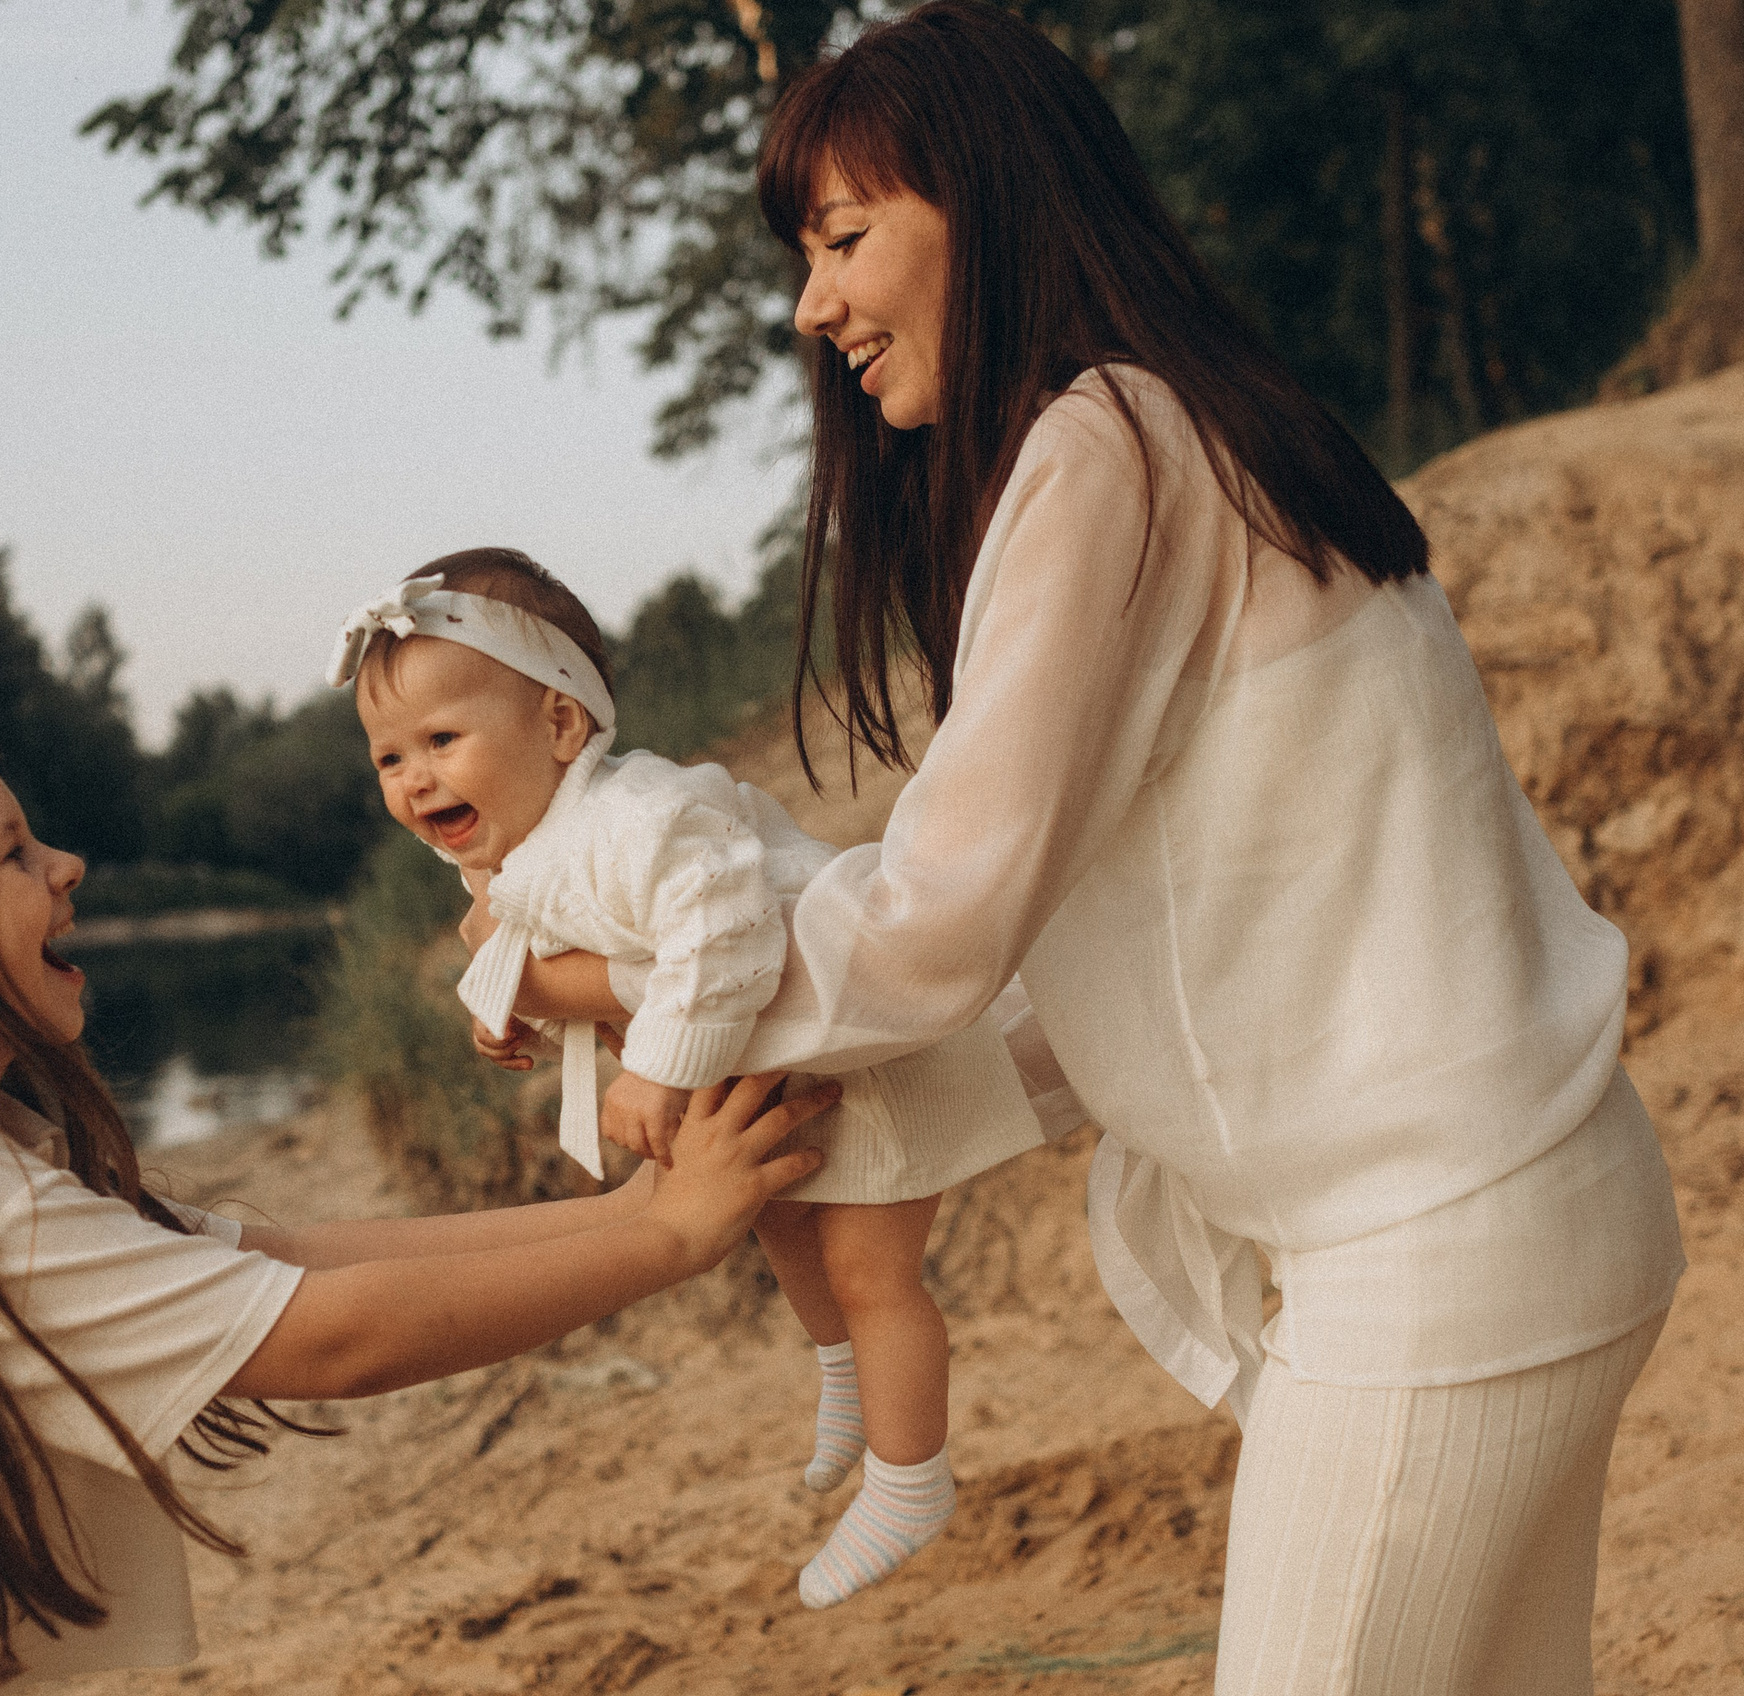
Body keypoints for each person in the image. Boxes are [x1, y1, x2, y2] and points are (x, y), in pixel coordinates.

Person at [496, 5, 1686, 1690]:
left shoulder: (1104, 445)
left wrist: (621, 983)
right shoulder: (1207, 426)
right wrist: (828, 1087)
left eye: (843, 238)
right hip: (1537, 1209)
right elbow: (1147, 957)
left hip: (1438, 1257)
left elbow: (935, 922)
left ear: (986, 202)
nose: (808, 302)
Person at [0, 710, 836, 1696]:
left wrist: (648, 1206)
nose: (66, 865)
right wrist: (671, 1237)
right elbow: (334, 1335)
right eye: (14, 853)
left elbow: (292, 1256)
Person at [330, 546, 1044, 1608]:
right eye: (389, 757)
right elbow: (553, 948)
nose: (414, 777)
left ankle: (910, 1478)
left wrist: (657, 1071)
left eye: (440, 739)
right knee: (778, 1215)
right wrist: (511, 1007)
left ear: (562, 726)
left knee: (870, 1270)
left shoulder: (637, 816)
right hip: (770, 1050)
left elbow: (722, 920)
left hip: (863, 1038)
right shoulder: (512, 844)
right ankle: (844, 1383)